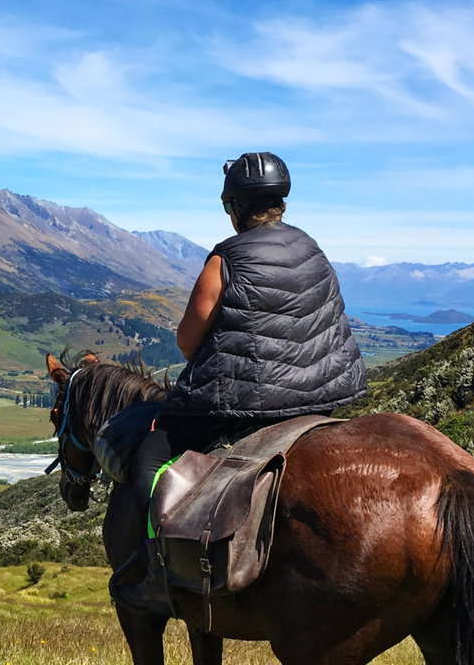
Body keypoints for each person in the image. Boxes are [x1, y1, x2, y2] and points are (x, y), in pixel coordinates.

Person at [109, 151, 367, 609]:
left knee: (152, 454)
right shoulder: (313, 250)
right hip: (319, 398)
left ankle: (154, 567)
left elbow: (188, 342)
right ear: (280, 202)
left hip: (242, 403)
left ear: (234, 206)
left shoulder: (226, 257)